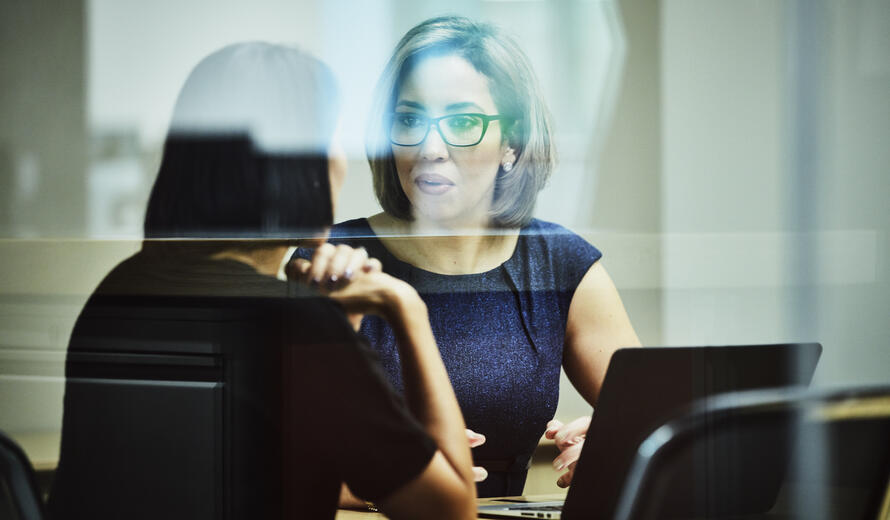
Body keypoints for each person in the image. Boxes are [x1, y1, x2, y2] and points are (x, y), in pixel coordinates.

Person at [48, 42, 476, 520]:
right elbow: (450, 510)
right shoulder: (290, 326)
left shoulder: (125, 289)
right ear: (297, 162)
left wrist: (339, 325)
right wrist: (406, 307)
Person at [295, 16, 641, 498]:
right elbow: (264, 453)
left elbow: (663, 424)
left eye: (462, 122)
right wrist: (390, 470)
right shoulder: (330, 262)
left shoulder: (561, 264)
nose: (430, 148)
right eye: (410, 120)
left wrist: (619, 448)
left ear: (512, 145)